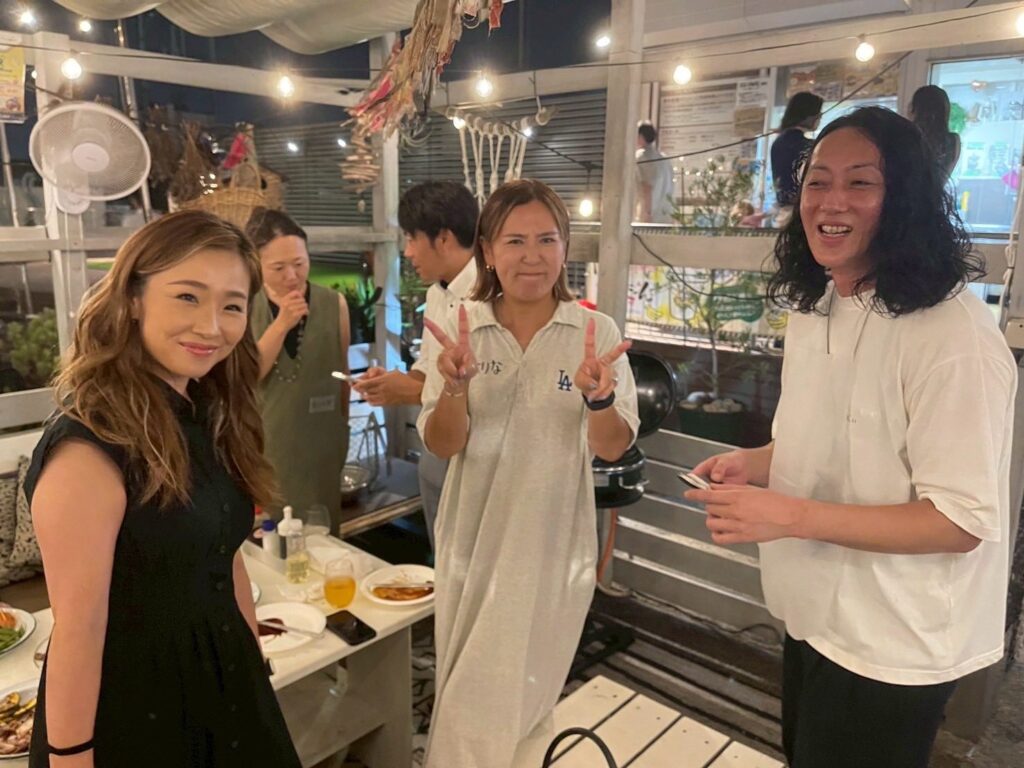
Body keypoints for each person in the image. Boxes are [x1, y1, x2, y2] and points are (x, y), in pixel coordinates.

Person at [685, 107, 1015, 768]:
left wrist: (789, 515)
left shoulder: (952, 337)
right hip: (814, 615)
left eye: (860, 182)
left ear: (906, 199)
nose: (831, 202)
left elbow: (960, 520)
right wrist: (755, 464)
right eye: (817, 182)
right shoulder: (820, 305)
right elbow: (834, 436)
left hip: (897, 641)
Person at [26, 210, 301, 768]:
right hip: (137, 705)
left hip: (224, 681)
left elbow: (225, 557)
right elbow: (78, 628)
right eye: (187, 297)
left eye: (232, 305)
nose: (212, 326)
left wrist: (253, 672)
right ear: (133, 299)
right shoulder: (90, 445)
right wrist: (70, 758)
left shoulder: (204, 411)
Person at [418, 179, 640, 767]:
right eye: (514, 240)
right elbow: (443, 444)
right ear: (488, 251)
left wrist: (599, 399)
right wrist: (454, 388)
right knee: (467, 692)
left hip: (552, 545)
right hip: (471, 540)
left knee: (532, 691)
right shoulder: (460, 327)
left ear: (566, 248)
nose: (532, 255)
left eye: (547, 239)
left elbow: (611, 447)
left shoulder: (595, 334)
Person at [351, 181, 479, 550]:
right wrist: (395, 382)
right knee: (443, 556)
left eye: (411, 238)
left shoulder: (490, 297)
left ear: (444, 238)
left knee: (472, 561)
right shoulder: (437, 293)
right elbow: (427, 371)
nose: (407, 252)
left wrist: (407, 389)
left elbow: (481, 393)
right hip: (434, 451)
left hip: (475, 460)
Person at [246, 208, 350, 526]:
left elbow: (342, 372)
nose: (292, 276)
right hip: (267, 446)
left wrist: (342, 427)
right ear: (256, 264)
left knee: (324, 531)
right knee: (271, 536)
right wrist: (282, 323)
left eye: (300, 263)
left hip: (322, 444)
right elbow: (246, 376)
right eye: (278, 267)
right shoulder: (243, 306)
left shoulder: (334, 303)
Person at [771, 91, 824, 210]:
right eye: (818, 114)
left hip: (785, 207)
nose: (820, 117)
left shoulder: (780, 140)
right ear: (807, 115)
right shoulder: (804, 144)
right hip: (799, 207)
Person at [910, 84, 961, 180]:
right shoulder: (953, 141)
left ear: (916, 109)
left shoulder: (909, 137)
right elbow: (945, 176)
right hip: (937, 189)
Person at [636, 121, 675, 224]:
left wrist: (647, 213)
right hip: (666, 215)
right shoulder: (665, 159)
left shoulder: (641, 157)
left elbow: (646, 187)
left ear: (641, 136)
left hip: (650, 216)